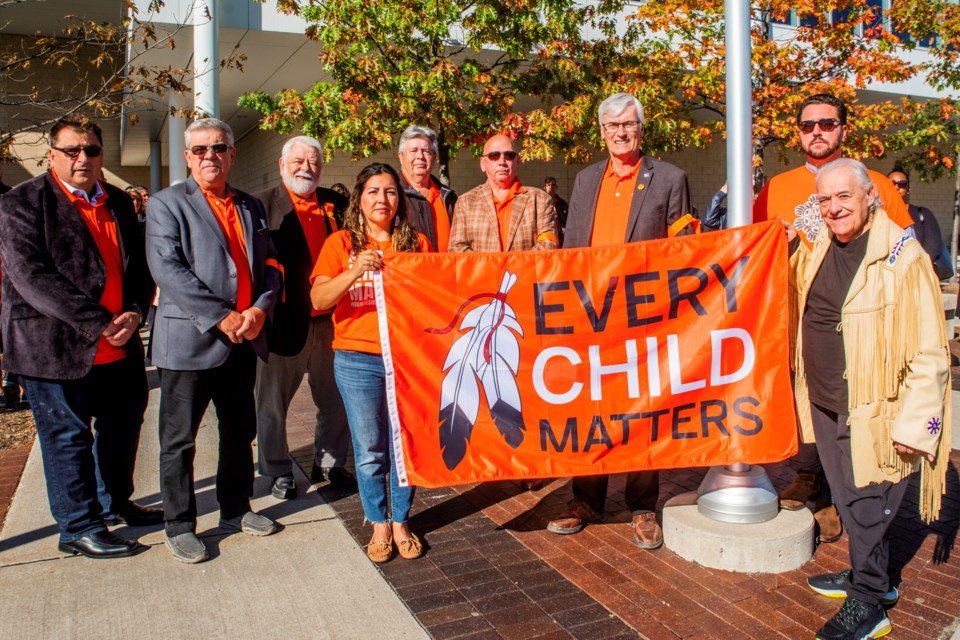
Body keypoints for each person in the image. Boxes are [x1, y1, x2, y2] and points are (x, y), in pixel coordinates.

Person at [795, 158, 950, 640]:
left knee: (867, 502)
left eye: (845, 196)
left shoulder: (904, 257)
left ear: (870, 197)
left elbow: (931, 350)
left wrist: (916, 424)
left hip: (872, 408)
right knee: (848, 497)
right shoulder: (819, 244)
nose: (834, 207)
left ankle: (868, 605)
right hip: (824, 399)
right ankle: (874, 580)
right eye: (825, 199)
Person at [753, 94, 916, 539]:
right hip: (800, 318)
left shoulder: (875, 184)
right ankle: (812, 480)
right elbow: (753, 251)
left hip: (863, 322)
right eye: (808, 125)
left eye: (827, 123)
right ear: (799, 132)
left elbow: (906, 251)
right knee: (807, 400)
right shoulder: (778, 187)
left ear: (844, 129)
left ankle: (850, 496)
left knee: (854, 414)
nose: (817, 132)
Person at [0, 115, 157, 558]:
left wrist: (134, 311)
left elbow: (139, 268)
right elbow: (32, 277)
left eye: (91, 150)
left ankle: (115, 503)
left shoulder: (120, 203)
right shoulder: (22, 203)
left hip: (119, 344)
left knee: (124, 427)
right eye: (72, 150)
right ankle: (78, 526)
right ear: (52, 155)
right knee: (68, 437)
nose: (82, 158)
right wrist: (97, 320)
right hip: (53, 348)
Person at [550, 92, 695, 550]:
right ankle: (586, 499)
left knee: (642, 410)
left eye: (628, 124)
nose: (621, 132)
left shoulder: (670, 178)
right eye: (612, 126)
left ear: (641, 128)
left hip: (644, 317)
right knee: (590, 408)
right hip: (592, 317)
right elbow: (573, 246)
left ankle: (642, 505)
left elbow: (683, 250)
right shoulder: (586, 179)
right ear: (602, 132)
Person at [146, 118, 282, 564]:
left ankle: (237, 507)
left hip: (243, 339)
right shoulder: (167, 204)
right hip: (189, 342)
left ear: (232, 153)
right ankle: (180, 523)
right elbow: (169, 271)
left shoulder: (250, 206)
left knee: (239, 431)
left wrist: (260, 308)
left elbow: (271, 266)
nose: (210, 156)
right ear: (188, 157)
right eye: (200, 149)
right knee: (179, 439)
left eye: (219, 148)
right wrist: (222, 316)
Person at [310, 162, 431, 563]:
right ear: (359, 199)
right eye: (374, 192)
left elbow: (433, 301)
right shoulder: (341, 244)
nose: (383, 200)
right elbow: (319, 299)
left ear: (400, 199)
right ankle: (378, 522)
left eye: (391, 192)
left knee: (403, 446)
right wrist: (355, 270)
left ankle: (401, 520)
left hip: (406, 360)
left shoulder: (417, 244)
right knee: (369, 448)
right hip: (357, 359)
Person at [252, 135, 355, 499]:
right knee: (273, 403)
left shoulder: (337, 204)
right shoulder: (261, 206)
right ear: (282, 164)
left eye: (313, 162)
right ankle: (278, 469)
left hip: (332, 320)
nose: (305, 168)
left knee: (335, 398)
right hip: (283, 321)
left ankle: (329, 462)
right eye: (298, 161)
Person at [448, 134, 558, 252]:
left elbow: (548, 244)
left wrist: (513, 269)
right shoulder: (465, 202)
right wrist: (493, 269)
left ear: (517, 162)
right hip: (483, 270)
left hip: (524, 270)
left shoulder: (540, 200)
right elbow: (456, 248)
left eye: (509, 155)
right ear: (483, 164)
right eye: (494, 156)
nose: (502, 161)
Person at [397, 125, 457, 252]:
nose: (420, 156)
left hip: (446, 270)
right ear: (401, 157)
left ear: (434, 158)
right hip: (408, 270)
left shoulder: (448, 197)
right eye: (413, 150)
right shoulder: (393, 195)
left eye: (426, 151)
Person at [887, 167, 953, 280]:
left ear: (908, 188)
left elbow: (933, 247)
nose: (897, 187)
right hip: (886, 277)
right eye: (892, 183)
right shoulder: (877, 215)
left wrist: (914, 268)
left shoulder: (922, 214)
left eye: (902, 184)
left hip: (916, 276)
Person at [543, 176, 568, 242]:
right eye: (548, 184)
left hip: (560, 235)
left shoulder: (562, 203)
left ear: (556, 187)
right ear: (545, 188)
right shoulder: (541, 202)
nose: (551, 186)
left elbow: (568, 218)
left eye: (553, 184)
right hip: (546, 234)